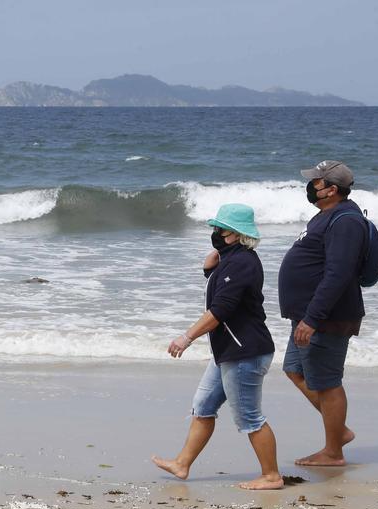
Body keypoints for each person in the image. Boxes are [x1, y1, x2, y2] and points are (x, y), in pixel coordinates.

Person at [152, 203, 282, 490]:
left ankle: (271, 475)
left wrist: (186, 338)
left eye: (219, 229)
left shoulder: (240, 263)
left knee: (249, 417)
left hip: (245, 353)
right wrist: (208, 268)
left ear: (235, 234)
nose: (214, 233)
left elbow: (220, 309)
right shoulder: (232, 259)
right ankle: (182, 464)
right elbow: (223, 291)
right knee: (204, 406)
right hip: (229, 352)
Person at [278, 160, 364, 466]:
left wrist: (313, 318)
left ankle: (333, 452)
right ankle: (337, 431)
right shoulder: (326, 216)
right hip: (308, 314)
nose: (311, 186)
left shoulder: (346, 222)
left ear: (331, 189)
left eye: (316, 182)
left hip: (325, 317)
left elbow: (338, 274)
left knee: (327, 382)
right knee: (294, 369)